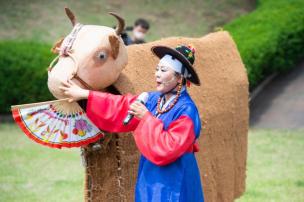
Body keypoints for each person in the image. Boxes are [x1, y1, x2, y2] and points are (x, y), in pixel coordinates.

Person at [60, 44, 205, 202]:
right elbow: (121, 105)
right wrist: (84, 95)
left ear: (179, 78)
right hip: (150, 174)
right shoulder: (154, 99)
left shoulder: (187, 111)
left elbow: (169, 147)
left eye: (163, 71)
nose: (157, 74)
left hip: (176, 179)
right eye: (157, 69)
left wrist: (146, 118)